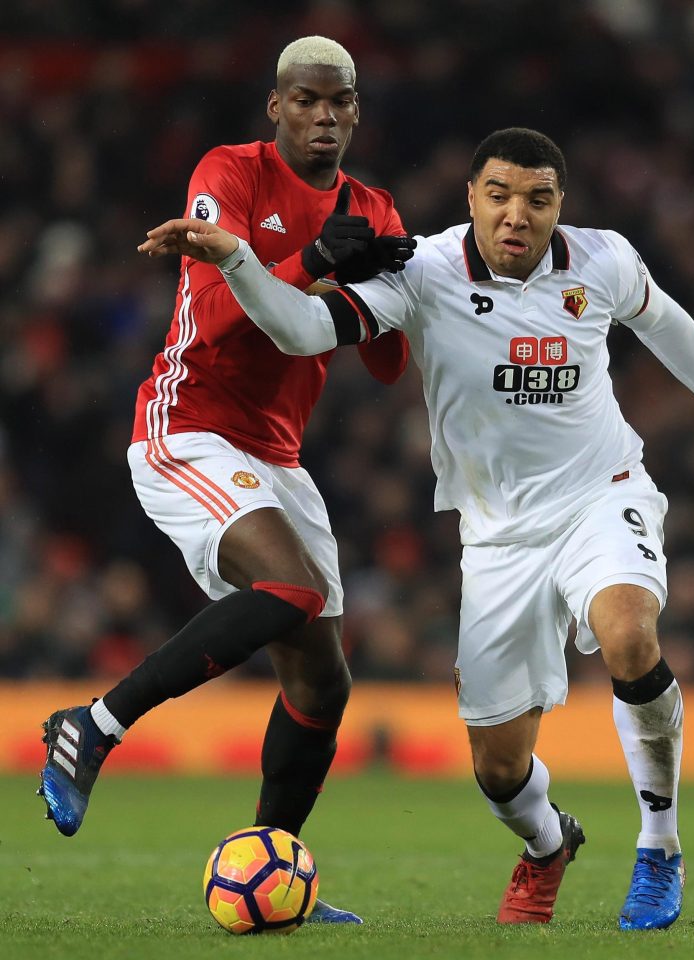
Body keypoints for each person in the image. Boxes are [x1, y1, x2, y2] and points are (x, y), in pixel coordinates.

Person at [137, 127, 694, 930]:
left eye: (537, 199)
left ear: (558, 205)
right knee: (498, 769)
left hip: (600, 494)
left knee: (630, 635)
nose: (516, 215)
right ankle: (544, 844)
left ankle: (658, 848)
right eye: (498, 195)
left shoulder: (600, 259)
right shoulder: (422, 271)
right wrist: (238, 259)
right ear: (471, 200)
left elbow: (663, 319)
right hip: (495, 535)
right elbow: (302, 331)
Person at [38, 36, 415, 925]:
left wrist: (388, 291)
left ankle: (272, 869)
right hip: (189, 425)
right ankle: (93, 723)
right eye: (307, 101)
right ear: (276, 108)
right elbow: (211, 315)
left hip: (277, 453)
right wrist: (318, 260)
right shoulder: (230, 175)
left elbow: (393, 362)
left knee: (323, 685)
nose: (324, 117)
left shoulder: (376, 207)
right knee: (289, 586)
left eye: (340, 103)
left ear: (356, 112)